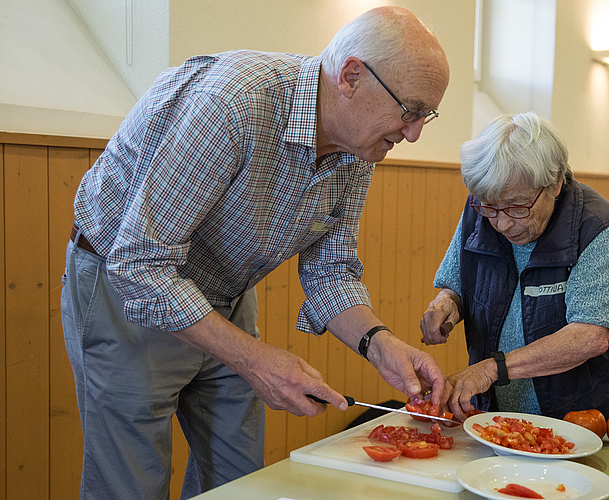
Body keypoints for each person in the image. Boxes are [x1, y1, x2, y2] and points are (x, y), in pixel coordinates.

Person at [61, 6, 450, 499]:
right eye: (409, 110)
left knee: (240, 482)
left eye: (425, 116)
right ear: (351, 76)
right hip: (126, 290)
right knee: (133, 485)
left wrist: (380, 343)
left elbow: (332, 271)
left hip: (224, 292)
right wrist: (255, 360)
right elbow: (141, 264)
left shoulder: (359, 143)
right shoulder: (232, 103)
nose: (413, 132)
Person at [420, 112, 609, 422]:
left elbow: (589, 336)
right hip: (499, 413)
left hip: (583, 416)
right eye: (489, 207)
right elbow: (458, 283)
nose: (500, 223)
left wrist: (492, 368)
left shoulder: (596, 226)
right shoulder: (483, 207)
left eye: (517, 207)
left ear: (553, 183)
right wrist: (446, 304)